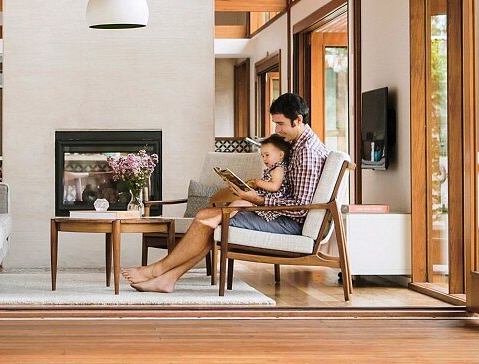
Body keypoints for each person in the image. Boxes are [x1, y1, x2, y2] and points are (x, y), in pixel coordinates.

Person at [122, 92, 328, 293]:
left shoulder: (307, 152)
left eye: (280, 123)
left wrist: (255, 199)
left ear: (298, 119)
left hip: (288, 223)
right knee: (206, 219)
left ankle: (159, 271)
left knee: (207, 220)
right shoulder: (298, 145)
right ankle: (166, 278)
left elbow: (299, 207)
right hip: (277, 214)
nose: (277, 129)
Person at [223, 133, 291, 211]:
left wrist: (258, 182)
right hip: (263, 201)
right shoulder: (273, 168)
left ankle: (225, 219)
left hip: (270, 207)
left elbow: (274, 187)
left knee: (238, 205)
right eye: (262, 156)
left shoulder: (279, 168)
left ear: (281, 155)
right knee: (237, 204)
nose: (264, 159)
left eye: (267, 155)